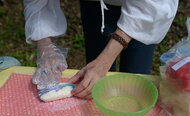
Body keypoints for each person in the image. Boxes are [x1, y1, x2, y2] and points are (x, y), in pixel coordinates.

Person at [23, 0, 179, 99]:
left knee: (135, 80)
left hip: (146, 8)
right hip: (95, 5)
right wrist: (46, 47)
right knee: (95, 84)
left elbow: (154, 5)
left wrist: (104, 61)